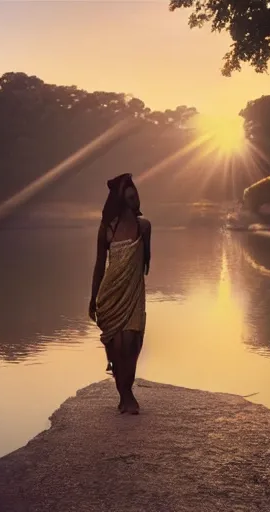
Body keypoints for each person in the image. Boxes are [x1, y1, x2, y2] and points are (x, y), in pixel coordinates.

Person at [89, 173, 151, 415]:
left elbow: (145, 263)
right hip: (110, 294)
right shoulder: (107, 229)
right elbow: (99, 265)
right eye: (130, 196)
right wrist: (93, 299)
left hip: (134, 294)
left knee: (132, 344)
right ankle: (126, 396)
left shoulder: (144, 227)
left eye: (136, 195)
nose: (135, 200)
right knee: (117, 349)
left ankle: (127, 392)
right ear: (120, 200)